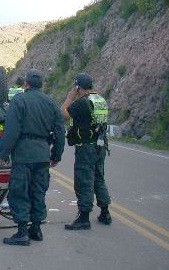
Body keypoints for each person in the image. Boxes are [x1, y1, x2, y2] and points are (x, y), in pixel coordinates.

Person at [0, 69, 65, 246]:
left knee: (20, 192)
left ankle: (22, 233)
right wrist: (56, 154)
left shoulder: (19, 100)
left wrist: (3, 154)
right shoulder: (51, 102)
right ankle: (36, 229)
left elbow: (11, 131)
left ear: (26, 84)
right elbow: (59, 131)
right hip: (42, 154)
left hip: (24, 154)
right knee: (38, 192)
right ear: (41, 85)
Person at [60, 73, 112, 230]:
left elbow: (63, 113)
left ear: (78, 87)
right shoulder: (100, 100)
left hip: (86, 147)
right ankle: (105, 213)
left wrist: (70, 97)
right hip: (100, 146)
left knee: (84, 180)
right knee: (98, 178)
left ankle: (83, 218)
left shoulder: (82, 103)